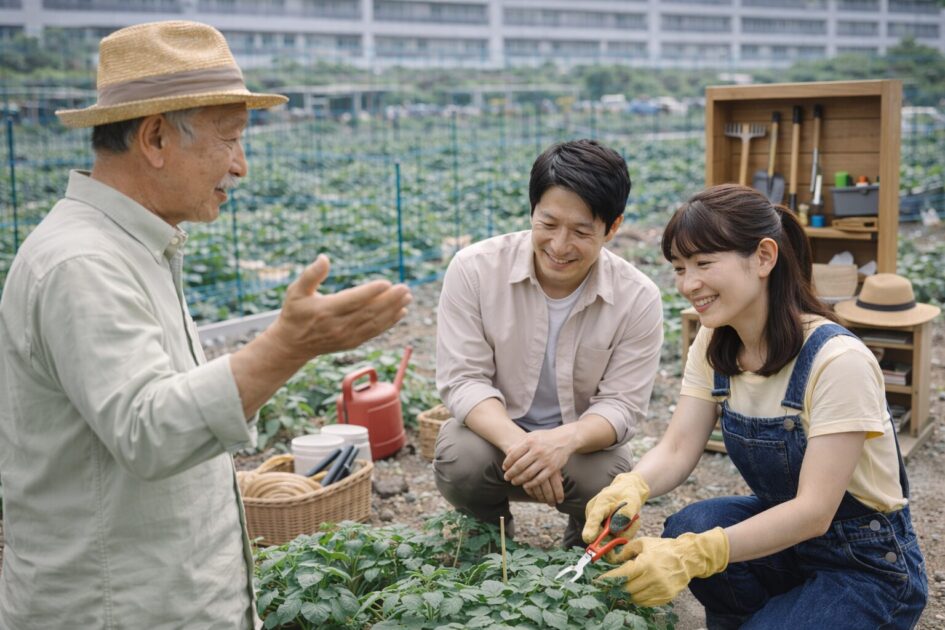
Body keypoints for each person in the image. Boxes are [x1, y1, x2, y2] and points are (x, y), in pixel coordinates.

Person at [0, 21, 411, 629]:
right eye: (230, 140)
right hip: (116, 609)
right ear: (156, 137)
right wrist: (288, 346)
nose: (240, 166)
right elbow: (149, 430)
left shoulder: (135, 246)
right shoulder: (82, 263)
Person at [583, 184, 928, 628]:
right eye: (680, 268)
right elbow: (676, 450)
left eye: (704, 263)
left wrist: (696, 555)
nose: (689, 284)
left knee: (699, 540)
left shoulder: (837, 360)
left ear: (764, 257)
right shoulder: (715, 341)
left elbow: (813, 511)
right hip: (788, 544)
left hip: (866, 564)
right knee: (691, 523)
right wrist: (632, 486)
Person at [434, 139, 663, 548]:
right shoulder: (474, 270)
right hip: (497, 440)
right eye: (548, 224)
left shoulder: (637, 297)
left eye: (580, 231)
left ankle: (584, 540)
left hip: (580, 448)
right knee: (458, 455)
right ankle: (487, 536)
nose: (559, 246)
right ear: (532, 211)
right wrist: (526, 449)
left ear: (612, 227)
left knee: (611, 479)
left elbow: (622, 406)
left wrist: (564, 442)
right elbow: (464, 380)